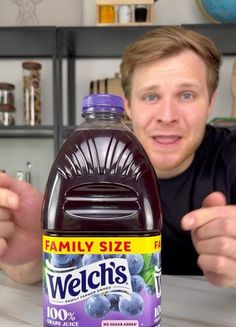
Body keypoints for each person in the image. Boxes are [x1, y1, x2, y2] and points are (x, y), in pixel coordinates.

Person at [0, 26, 236, 287]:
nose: (167, 115)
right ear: (128, 106)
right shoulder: (91, 162)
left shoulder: (231, 156)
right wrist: (36, 247)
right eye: (150, 96)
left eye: (187, 95)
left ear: (211, 102)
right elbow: (28, 271)